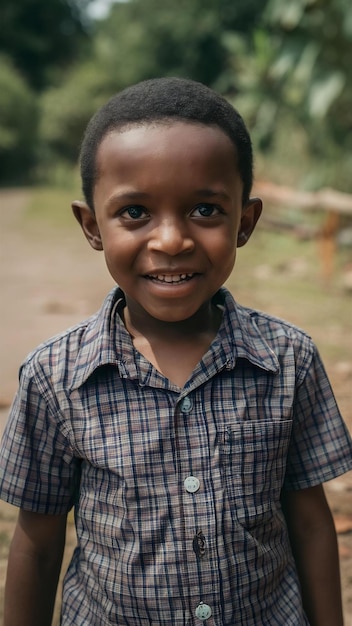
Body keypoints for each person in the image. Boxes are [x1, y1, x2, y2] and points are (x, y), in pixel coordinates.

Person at [0, 77, 352, 626]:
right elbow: (38, 543)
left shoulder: (290, 360)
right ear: (92, 226)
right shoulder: (55, 377)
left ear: (246, 221)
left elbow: (309, 522)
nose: (171, 241)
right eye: (135, 212)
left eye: (205, 210)